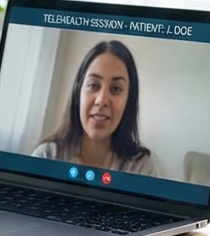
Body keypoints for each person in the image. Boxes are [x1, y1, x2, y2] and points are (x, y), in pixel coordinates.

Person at [31, 40, 158, 176]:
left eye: (116, 89)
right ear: (78, 92)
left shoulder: (141, 168)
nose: (101, 101)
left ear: (129, 100)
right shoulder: (46, 156)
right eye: (93, 85)